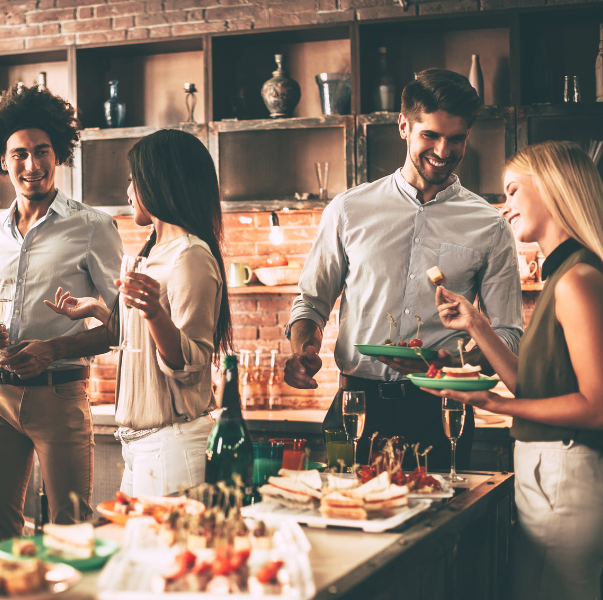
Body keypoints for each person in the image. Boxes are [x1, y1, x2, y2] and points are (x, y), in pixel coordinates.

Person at [283, 69, 523, 470]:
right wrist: (301, 350)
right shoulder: (348, 209)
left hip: (443, 411)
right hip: (356, 407)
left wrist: (452, 362)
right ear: (404, 127)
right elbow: (310, 302)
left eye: (457, 138)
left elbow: (507, 333)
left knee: (444, 526)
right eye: (430, 135)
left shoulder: (490, 225)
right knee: (346, 524)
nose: (444, 151)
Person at [422, 140, 603, 600]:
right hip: (550, 469)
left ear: (553, 188)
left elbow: (597, 406)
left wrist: (495, 403)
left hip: (566, 470)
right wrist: (478, 325)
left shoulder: (578, 280)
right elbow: (533, 385)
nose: (505, 209)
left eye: (513, 191)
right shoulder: (564, 276)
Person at [0, 84, 123, 545]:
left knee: (70, 532)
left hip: (60, 394)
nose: (31, 165)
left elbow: (120, 326)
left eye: (42, 152)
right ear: (1, 159)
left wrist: (52, 348)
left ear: (59, 155)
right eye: (19, 154)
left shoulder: (94, 227)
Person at [46, 129, 231, 496]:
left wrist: (154, 315)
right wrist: (99, 310)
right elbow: (141, 343)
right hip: (142, 448)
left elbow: (192, 363)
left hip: (172, 447)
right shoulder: (153, 253)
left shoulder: (189, 256)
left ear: (159, 182)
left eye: (133, 179)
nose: (128, 191)